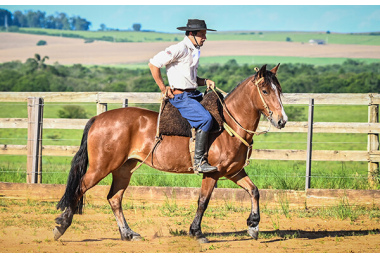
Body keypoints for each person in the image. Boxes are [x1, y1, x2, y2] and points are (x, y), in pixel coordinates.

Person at [148, 19, 217, 174]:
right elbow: (153, 64)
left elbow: (190, 79)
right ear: (191, 34)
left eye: (205, 34)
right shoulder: (179, 48)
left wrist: (205, 81)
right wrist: (162, 87)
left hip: (194, 94)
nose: (205, 38)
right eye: (202, 34)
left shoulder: (195, 49)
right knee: (205, 119)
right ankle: (199, 162)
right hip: (181, 97)